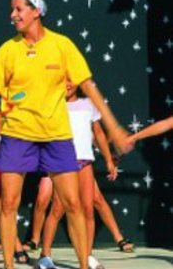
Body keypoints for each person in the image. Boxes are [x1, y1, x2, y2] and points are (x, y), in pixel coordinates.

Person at [0, 0, 132, 269]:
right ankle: (8, 266)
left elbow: (88, 86)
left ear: (36, 11)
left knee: (73, 204)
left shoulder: (62, 45)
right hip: (17, 134)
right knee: (9, 204)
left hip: (56, 135)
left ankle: (84, 265)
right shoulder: (8, 49)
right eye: (12, 9)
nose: (13, 15)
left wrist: (113, 126)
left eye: (19, 9)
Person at [37, 78, 121, 269]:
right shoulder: (53, 103)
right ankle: (45, 255)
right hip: (62, 162)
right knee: (58, 208)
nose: (67, 84)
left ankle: (87, 255)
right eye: (63, 80)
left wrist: (108, 159)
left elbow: (98, 133)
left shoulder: (89, 104)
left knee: (88, 209)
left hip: (85, 161)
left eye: (71, 81)